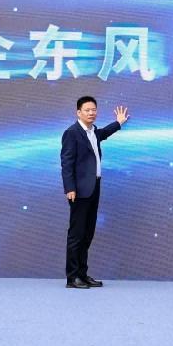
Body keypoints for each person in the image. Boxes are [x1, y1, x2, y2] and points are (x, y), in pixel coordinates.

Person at [60, 96, 129, 289]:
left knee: (88, 233)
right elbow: (67, 163)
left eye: (94, 110)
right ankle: (72, 277)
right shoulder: (71, 133)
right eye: (87, 110)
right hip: (79, 190)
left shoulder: (93, 131)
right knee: (76, 234)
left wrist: (118, 123)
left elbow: (104, 133)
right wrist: (69, 188)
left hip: (94, 187)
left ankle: (82, 274)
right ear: (78, 112)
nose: (91, 113)